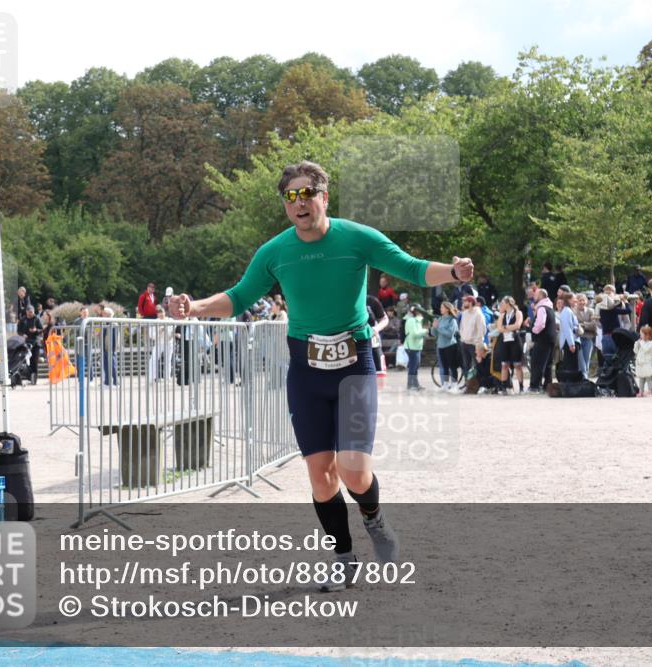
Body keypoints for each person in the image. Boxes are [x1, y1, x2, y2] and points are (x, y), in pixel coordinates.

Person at [167, 161, 474, 588]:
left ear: (324, 196)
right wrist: (194, 307)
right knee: (320, 475)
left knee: (353, 471)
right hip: (306, 370)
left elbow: (412, 266)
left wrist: (454, 273)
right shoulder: (275, 252)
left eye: (307, 193)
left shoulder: (356, 238)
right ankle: (343, 556)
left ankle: (376, 521)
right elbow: (238, 297)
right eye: (290, 196)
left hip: (354, 367)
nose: (299, 203)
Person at [526, 289, 554, 393]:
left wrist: (533, 329)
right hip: (550, 339)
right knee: (547, 365)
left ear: (541, 296)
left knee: (537, 363)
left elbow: (540, 324)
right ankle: (547, 386)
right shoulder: (549, 306)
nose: (534, 297)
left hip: (542, 339)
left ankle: (534, 387)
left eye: (536, 295)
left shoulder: (542, 308)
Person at [495, 296, 524, 394]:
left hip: (515, 340)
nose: (501, 305)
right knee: (504, 365)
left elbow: (517, 325)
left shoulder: (518, 313)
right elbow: (499, 328)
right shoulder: (502, 315)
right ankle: (504, 388)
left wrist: (505, 327)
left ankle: (521, 387)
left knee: (518, 365)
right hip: (505, 341)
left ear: (508, 303)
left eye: (502, 303)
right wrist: (508, 328)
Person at [431, 301, 461, 391]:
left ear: (448, 309)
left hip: (450, 345)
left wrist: (438, 328)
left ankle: (455, 385)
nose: (441, 309)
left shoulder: (452, 321)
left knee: (452, 366)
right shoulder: (439, 319)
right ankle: (445, 384)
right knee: (444, 366)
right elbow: (434, 334)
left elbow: (449, 334)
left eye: (442, 307)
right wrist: (433, 327)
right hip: (440, 345)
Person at [459, 295, 487, 379]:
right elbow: (461, 327)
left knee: (477, 365)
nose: (463, 303)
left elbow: (482, 330)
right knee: (465, 365)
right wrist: (462, 338)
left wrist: (479, 344)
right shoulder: (464, 313)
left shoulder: (478, 314)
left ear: (471, 303)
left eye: (465, 301)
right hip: (464, 343)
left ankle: (479, 385)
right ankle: (468, 385)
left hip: (475, 344)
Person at [556, 292, 580, 378]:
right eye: (574, 299)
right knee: (571, 366)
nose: (576, 301)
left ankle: (570, 384)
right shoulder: (567, 311)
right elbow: (567, 329)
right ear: (568, 300)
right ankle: (569, 385)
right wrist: (571, 344)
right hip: (570, 341)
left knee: (572, 365)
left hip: (572, 341)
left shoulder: (569, 311)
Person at [17, 305, 43, 385]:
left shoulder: (37, 319)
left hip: (35, 343)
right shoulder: (22, 319)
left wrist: (36, 330)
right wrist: (22, 334)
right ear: (26, 312)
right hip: (26, 342)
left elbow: (42, 330)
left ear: (33, 311)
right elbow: (19, 331)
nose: (30, 314)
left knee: (34, 361)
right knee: (25, 361)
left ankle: (34, 379)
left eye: (31, 312)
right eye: (29, 312)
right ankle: (28, 377)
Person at [574, 293, 597, 380]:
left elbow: (594, 325)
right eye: (580, 300)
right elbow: (574, 325)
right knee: (581, 360)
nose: (582, 302)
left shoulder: (591, 311)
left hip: (588, 338)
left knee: (586, 359)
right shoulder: (573, 311)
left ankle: (584, 377)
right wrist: (587, 325)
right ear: (577, 301)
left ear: (586, 301)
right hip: (578, 339)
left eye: (583, 300)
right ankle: (584, 377)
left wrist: (582, 325)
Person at [404, 305, 427, 391]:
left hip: (416, 347)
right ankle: (410, 385)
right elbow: (415, 334)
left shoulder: (417, 320)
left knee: (416, 366)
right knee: (413, 367)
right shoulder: (411, 320)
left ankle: (415, 384)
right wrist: (425, 331)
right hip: (411, 347)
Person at [634, 326, 652, 397]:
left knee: (648, 379)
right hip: (640, 364)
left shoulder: (651, 343)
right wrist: (636, 344)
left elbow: (646, 349)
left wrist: (640, 343)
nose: (640, 335)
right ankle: (641, 391)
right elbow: (636, 351)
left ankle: (650, 391)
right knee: (641, 379)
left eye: (641, 334)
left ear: (647, 334)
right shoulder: (640, 342)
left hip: (647, 364)